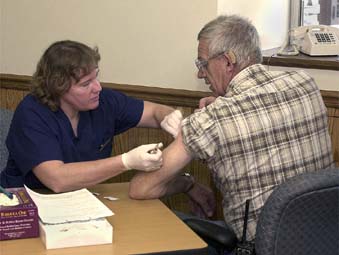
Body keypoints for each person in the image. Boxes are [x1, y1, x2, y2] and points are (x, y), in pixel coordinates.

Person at [128, 14, 335, 247]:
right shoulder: (305, 83)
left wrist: (186, 182)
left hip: (259, 245)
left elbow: (141, 188)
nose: (200, 74)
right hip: (324, 238)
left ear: (228, 61)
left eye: (202, 63)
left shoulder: (212, 119)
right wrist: (225, 102)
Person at [0, 40, 183, 193]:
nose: (98, 88)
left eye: (96, 77)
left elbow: (153, 112)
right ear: (58, 87)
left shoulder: (103, 102)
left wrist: (168, 116)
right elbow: (57, 179)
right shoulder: (32, 113)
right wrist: (126, 161)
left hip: (81, 203)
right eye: (86, 83)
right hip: (23, 210)